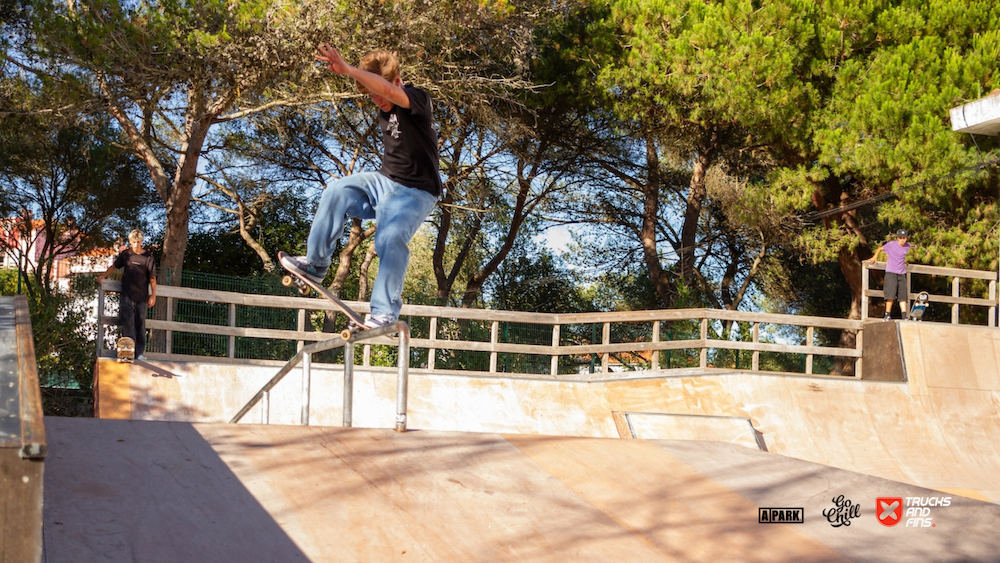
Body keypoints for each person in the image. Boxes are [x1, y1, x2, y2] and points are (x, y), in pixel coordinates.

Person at [280, 45, 442, 328]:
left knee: (389, 237)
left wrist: (349, 70)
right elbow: (381, 91)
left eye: (380, 92)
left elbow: (389, 92)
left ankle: (384, 312)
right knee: (336, 192)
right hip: (384, 182)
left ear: (396, 81)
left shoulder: (417, 98)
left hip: (416, 192)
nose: (377, 99)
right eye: (371, 95)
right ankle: (316, 265)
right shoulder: (383, 103)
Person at [98, 229, 157, 359]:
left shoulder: (148, 257)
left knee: (140, 324)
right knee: (127, 323)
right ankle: (127, 352)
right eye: (134, 242)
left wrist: (153, 295)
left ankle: (139, 353)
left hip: (142, 297)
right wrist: (103, 276)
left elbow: (152, 278)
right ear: (130, 242)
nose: (136, 244)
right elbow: (114, 266)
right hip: (127, 295)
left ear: (142, 241)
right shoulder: (126, 255)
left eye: (138, 242)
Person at [867, 229, 911, 321]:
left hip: (901, 273)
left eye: (904, 238)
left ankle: (904, 316)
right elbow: (880, 249)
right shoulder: (891, 244)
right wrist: (875, 257)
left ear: (907, 238)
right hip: (891, 272)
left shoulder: (908, 247)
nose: (902, 240)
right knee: (890, 295)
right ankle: (887, 314)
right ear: (897, 238)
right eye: (900, 238)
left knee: (903, 296)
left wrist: (905, 261)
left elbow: (904, 256)